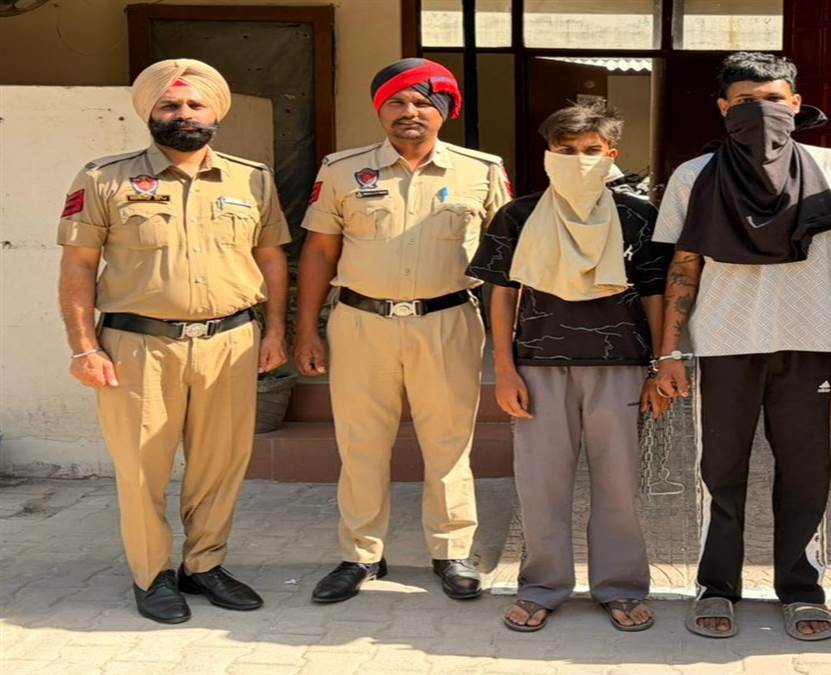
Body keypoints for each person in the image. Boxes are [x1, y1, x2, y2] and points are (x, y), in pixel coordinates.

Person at [57, 59, 290, 624]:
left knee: (220, 464)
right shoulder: (104, 178)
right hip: (138, 346)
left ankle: (205, 565)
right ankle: (152, 574)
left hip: (230, 342)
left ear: (214, 113)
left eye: (194, 104)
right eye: (169, 104)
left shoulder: (251, 179)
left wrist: (276, 330)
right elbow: (78, 266)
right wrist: (84, 347)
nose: (183, 113)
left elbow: (271, 258)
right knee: (143, 468)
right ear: (150, 113)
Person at [652, 52, 831, 641]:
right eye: (746, 102)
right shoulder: (695, 176)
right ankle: (716, 586)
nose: (761, 111)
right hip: (723, 344)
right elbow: (683, 266)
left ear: (796, 105)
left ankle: (802, 588)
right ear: (724, 109)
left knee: (806, 470)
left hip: (808, 343)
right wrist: (669, 352)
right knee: (719, 472)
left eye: (774, 99)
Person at [295, 58, 510, 604]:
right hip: (361, 323)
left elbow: (508, 259)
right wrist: (306, 330)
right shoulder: (342, 170)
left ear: (444, 111)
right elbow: (319, 251)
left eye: (422, 102)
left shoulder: (482, 170)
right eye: (396, 101)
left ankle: (451, 551)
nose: (409, 111)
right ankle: (361, 554)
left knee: (449, 442)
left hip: (448, 320)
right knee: (361, 443)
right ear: (380, 109)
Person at [466, 101, 673, 633]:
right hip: (538, 367)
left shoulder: (638, 216)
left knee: (618, 486)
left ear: (611, 155)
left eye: (591, 150)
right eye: (566, 150)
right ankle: (542, 586)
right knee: (540, 486)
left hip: (621, 367)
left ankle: (621, 587)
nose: (579, 159)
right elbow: (501, 295)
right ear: (548, 155)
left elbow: (656, 295)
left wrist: (658, 366)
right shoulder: (517, 216)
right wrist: (504, 369)